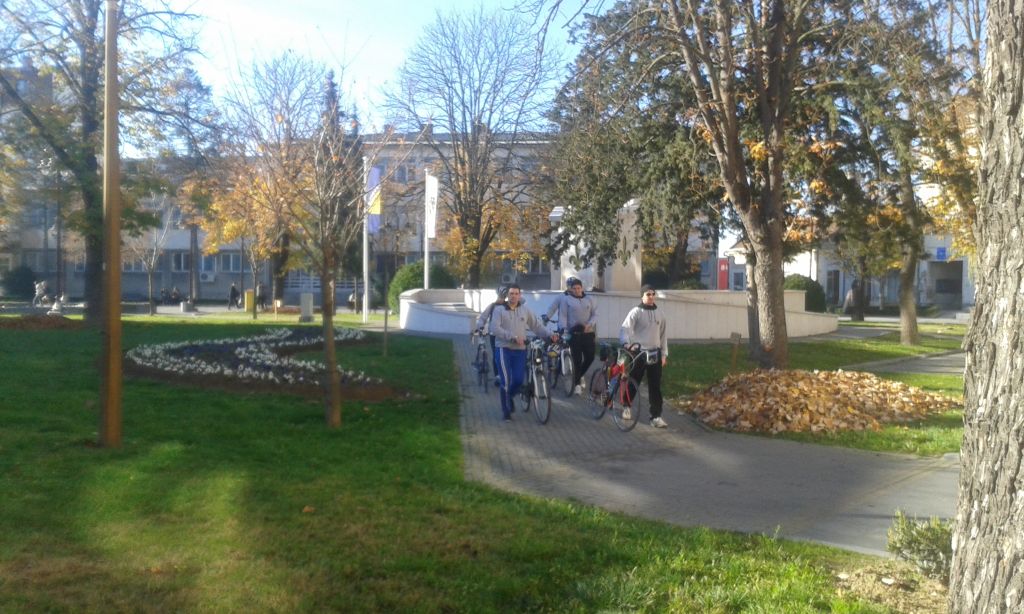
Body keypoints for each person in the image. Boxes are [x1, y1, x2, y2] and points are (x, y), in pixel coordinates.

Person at [491, 284, 559, 422]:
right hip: (503, 349)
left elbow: (536, 326)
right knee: (506, 381)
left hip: (520, 350)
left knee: (517, 380)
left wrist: (549, 335)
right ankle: (506, 412)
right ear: (507, 295)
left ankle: (509, 396)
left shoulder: (525, 310)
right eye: (511, 293)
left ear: (520, 295)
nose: (513, 296)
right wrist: (513, 337)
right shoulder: (499, 310)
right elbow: (495, 328)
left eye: (516, 293)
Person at [619, 284, 669, 428]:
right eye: (648, 294)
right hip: (639, 353)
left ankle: (656, 416)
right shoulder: (636, 312)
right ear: (642, 296)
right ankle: (627, 406)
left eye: (653, 294)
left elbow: (663, 335)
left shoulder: (660, 313)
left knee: (655, 386)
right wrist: (626, 343)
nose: (651, 296)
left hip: (655, 354)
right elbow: (625, 329)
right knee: (634, 381)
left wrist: (664, 354)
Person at [558, 277, 598, 395]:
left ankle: (578, 375)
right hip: (574, 333)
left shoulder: (589, 299)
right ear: (571, 289)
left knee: (590, 357)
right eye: (574, 288)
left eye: (578, 288)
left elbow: (595, 314)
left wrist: (590, 324)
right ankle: (577, 384)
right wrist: (564, 329)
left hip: (587, 332)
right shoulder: (566, 300)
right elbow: (563, 316)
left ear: (582, 288)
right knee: (577, 360)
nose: (576, 290)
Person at [475, 285, 509, 386]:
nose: (501, 298)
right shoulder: (492, 306)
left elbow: (522, 301)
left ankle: (506, 375)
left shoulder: (509, 306)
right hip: (494, 334)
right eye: (500, 296)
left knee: (506, 354)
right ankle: (498, 376)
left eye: (503, 296)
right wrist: (480, 327)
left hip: (505, 334)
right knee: (496, 355)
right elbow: (482, 318)